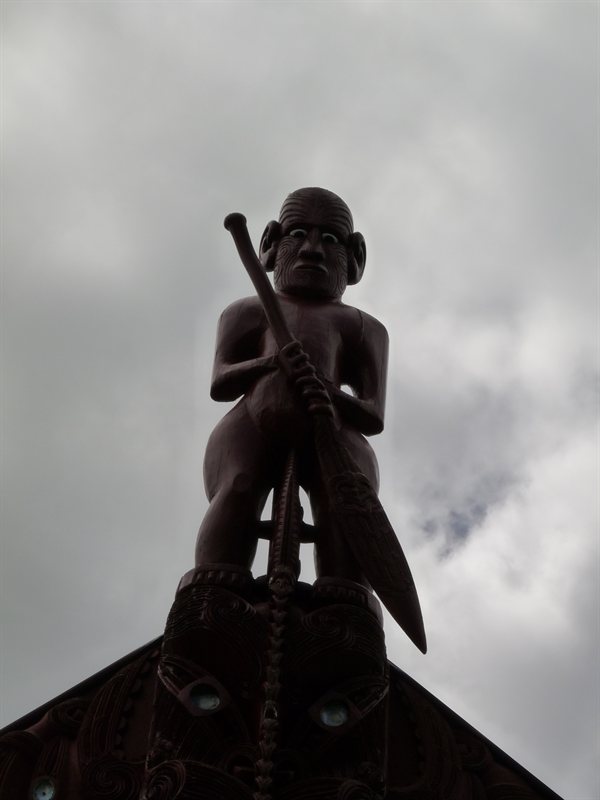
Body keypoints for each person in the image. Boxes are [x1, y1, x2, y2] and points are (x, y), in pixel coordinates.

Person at [195, 188, 389, 584]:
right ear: (270, 243)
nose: (313, 249)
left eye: (330, 239)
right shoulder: (247, 310)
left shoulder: (362, 327)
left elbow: (372, 413)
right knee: (238, 486)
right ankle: (214, 585)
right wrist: (271, 363)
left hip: (332, 431)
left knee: (344, 506)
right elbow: (221, 381)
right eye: (298, 234)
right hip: (251, 423)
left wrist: (329, 393)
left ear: (354, 257)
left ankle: (343, 594)